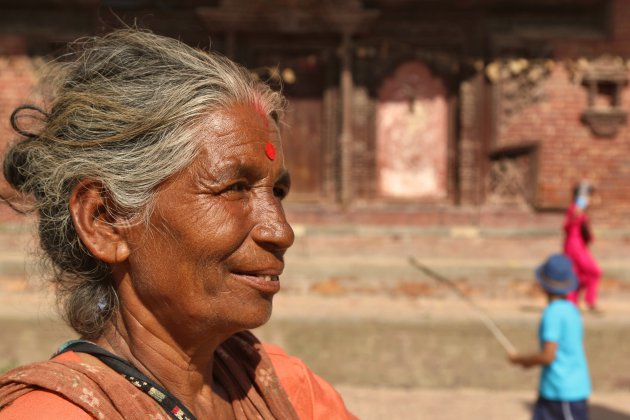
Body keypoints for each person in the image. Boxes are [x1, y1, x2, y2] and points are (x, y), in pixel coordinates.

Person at [0, 29, 356, 419]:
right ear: (105, 221)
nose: (280, 232)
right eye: (234, 188)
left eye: (279, 192)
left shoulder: (292, 390)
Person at [509, 253, 591, 420]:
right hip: (554, 390)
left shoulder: (553, 313)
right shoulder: (572, 309)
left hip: (564, 393)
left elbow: (548, 355)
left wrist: (523, 360)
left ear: (542, 284)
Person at [563, 181, 602, 312]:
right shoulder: (575, 209)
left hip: (576, 246)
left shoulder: (579, 211)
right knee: (593, 271)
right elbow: (568, 226)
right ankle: (586, 300)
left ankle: (573, 302)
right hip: (575, 247)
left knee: (578, 274)